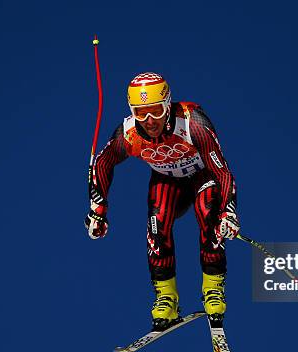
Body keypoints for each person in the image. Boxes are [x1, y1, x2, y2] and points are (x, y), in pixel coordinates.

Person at [85, 72, 239, 330]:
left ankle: (213, 291)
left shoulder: (193, 124)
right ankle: (166, 298)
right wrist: (97, 210)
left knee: (208, 212)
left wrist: (229, 212)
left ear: (168, 105)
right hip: (167, 180)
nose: (149, 121)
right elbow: (103, 162)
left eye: (156, 111)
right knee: (157, 224)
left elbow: (222, 170)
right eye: (140, 112)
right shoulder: (129, 134)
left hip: (201, 176)